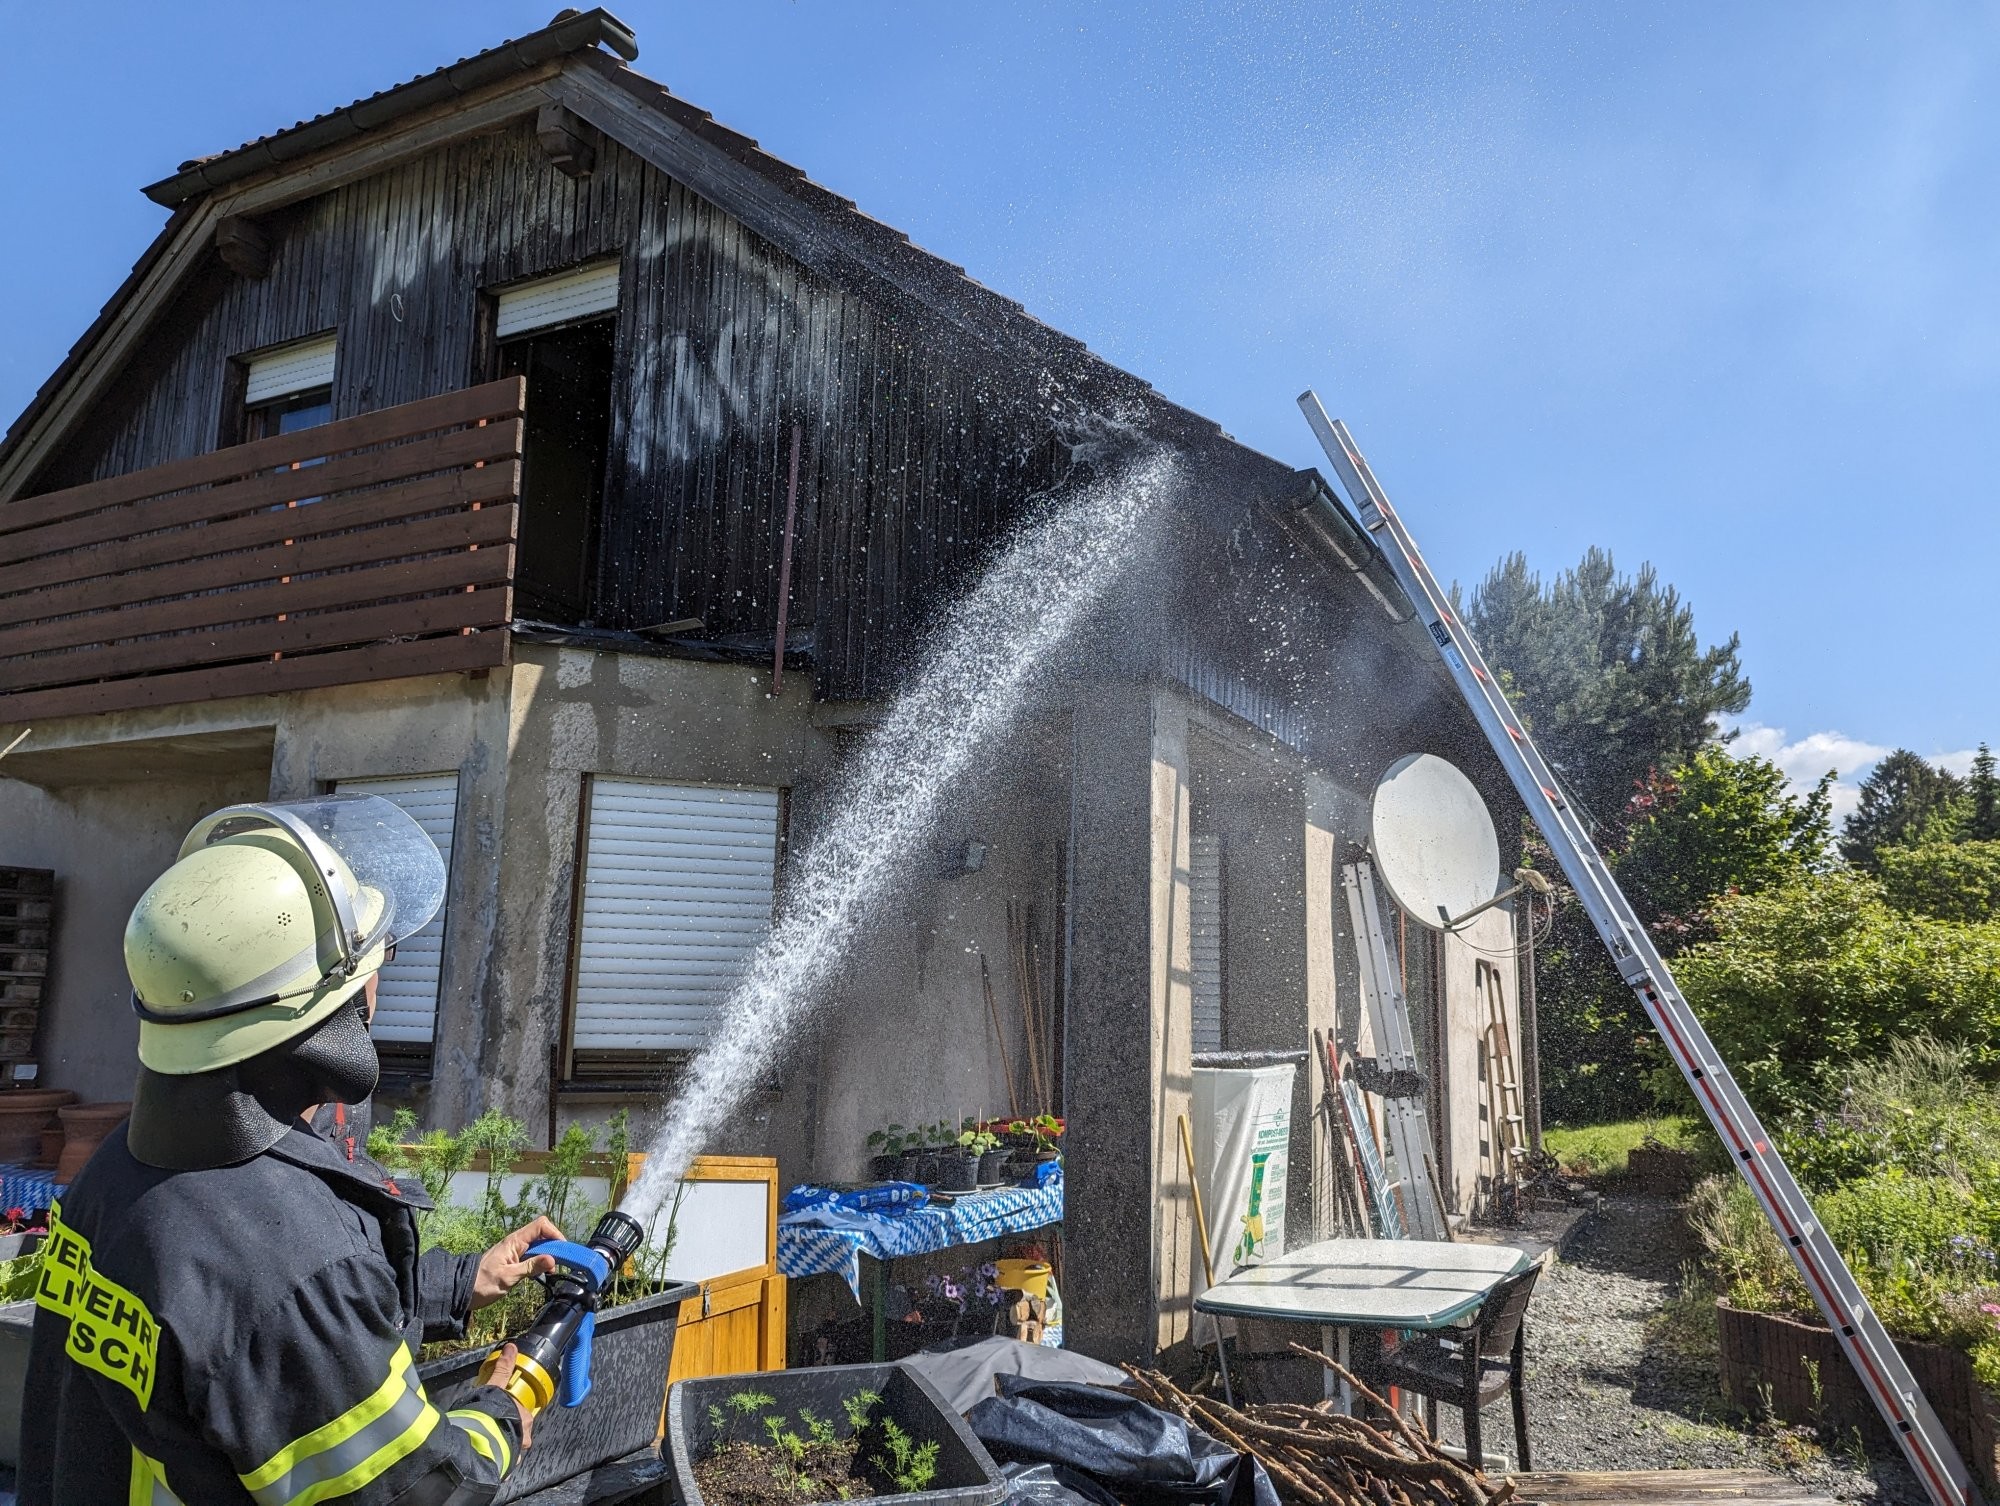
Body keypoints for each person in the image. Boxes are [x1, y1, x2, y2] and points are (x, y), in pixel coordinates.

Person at [24, 795, 558, 1505]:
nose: (379, 981)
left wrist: (456, 1285)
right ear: (326, 1016)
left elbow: (233, 1335)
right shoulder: (289, 1266)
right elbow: (420, 1493)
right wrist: (500, 1412)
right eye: (375, 959)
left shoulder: (121, 1171)